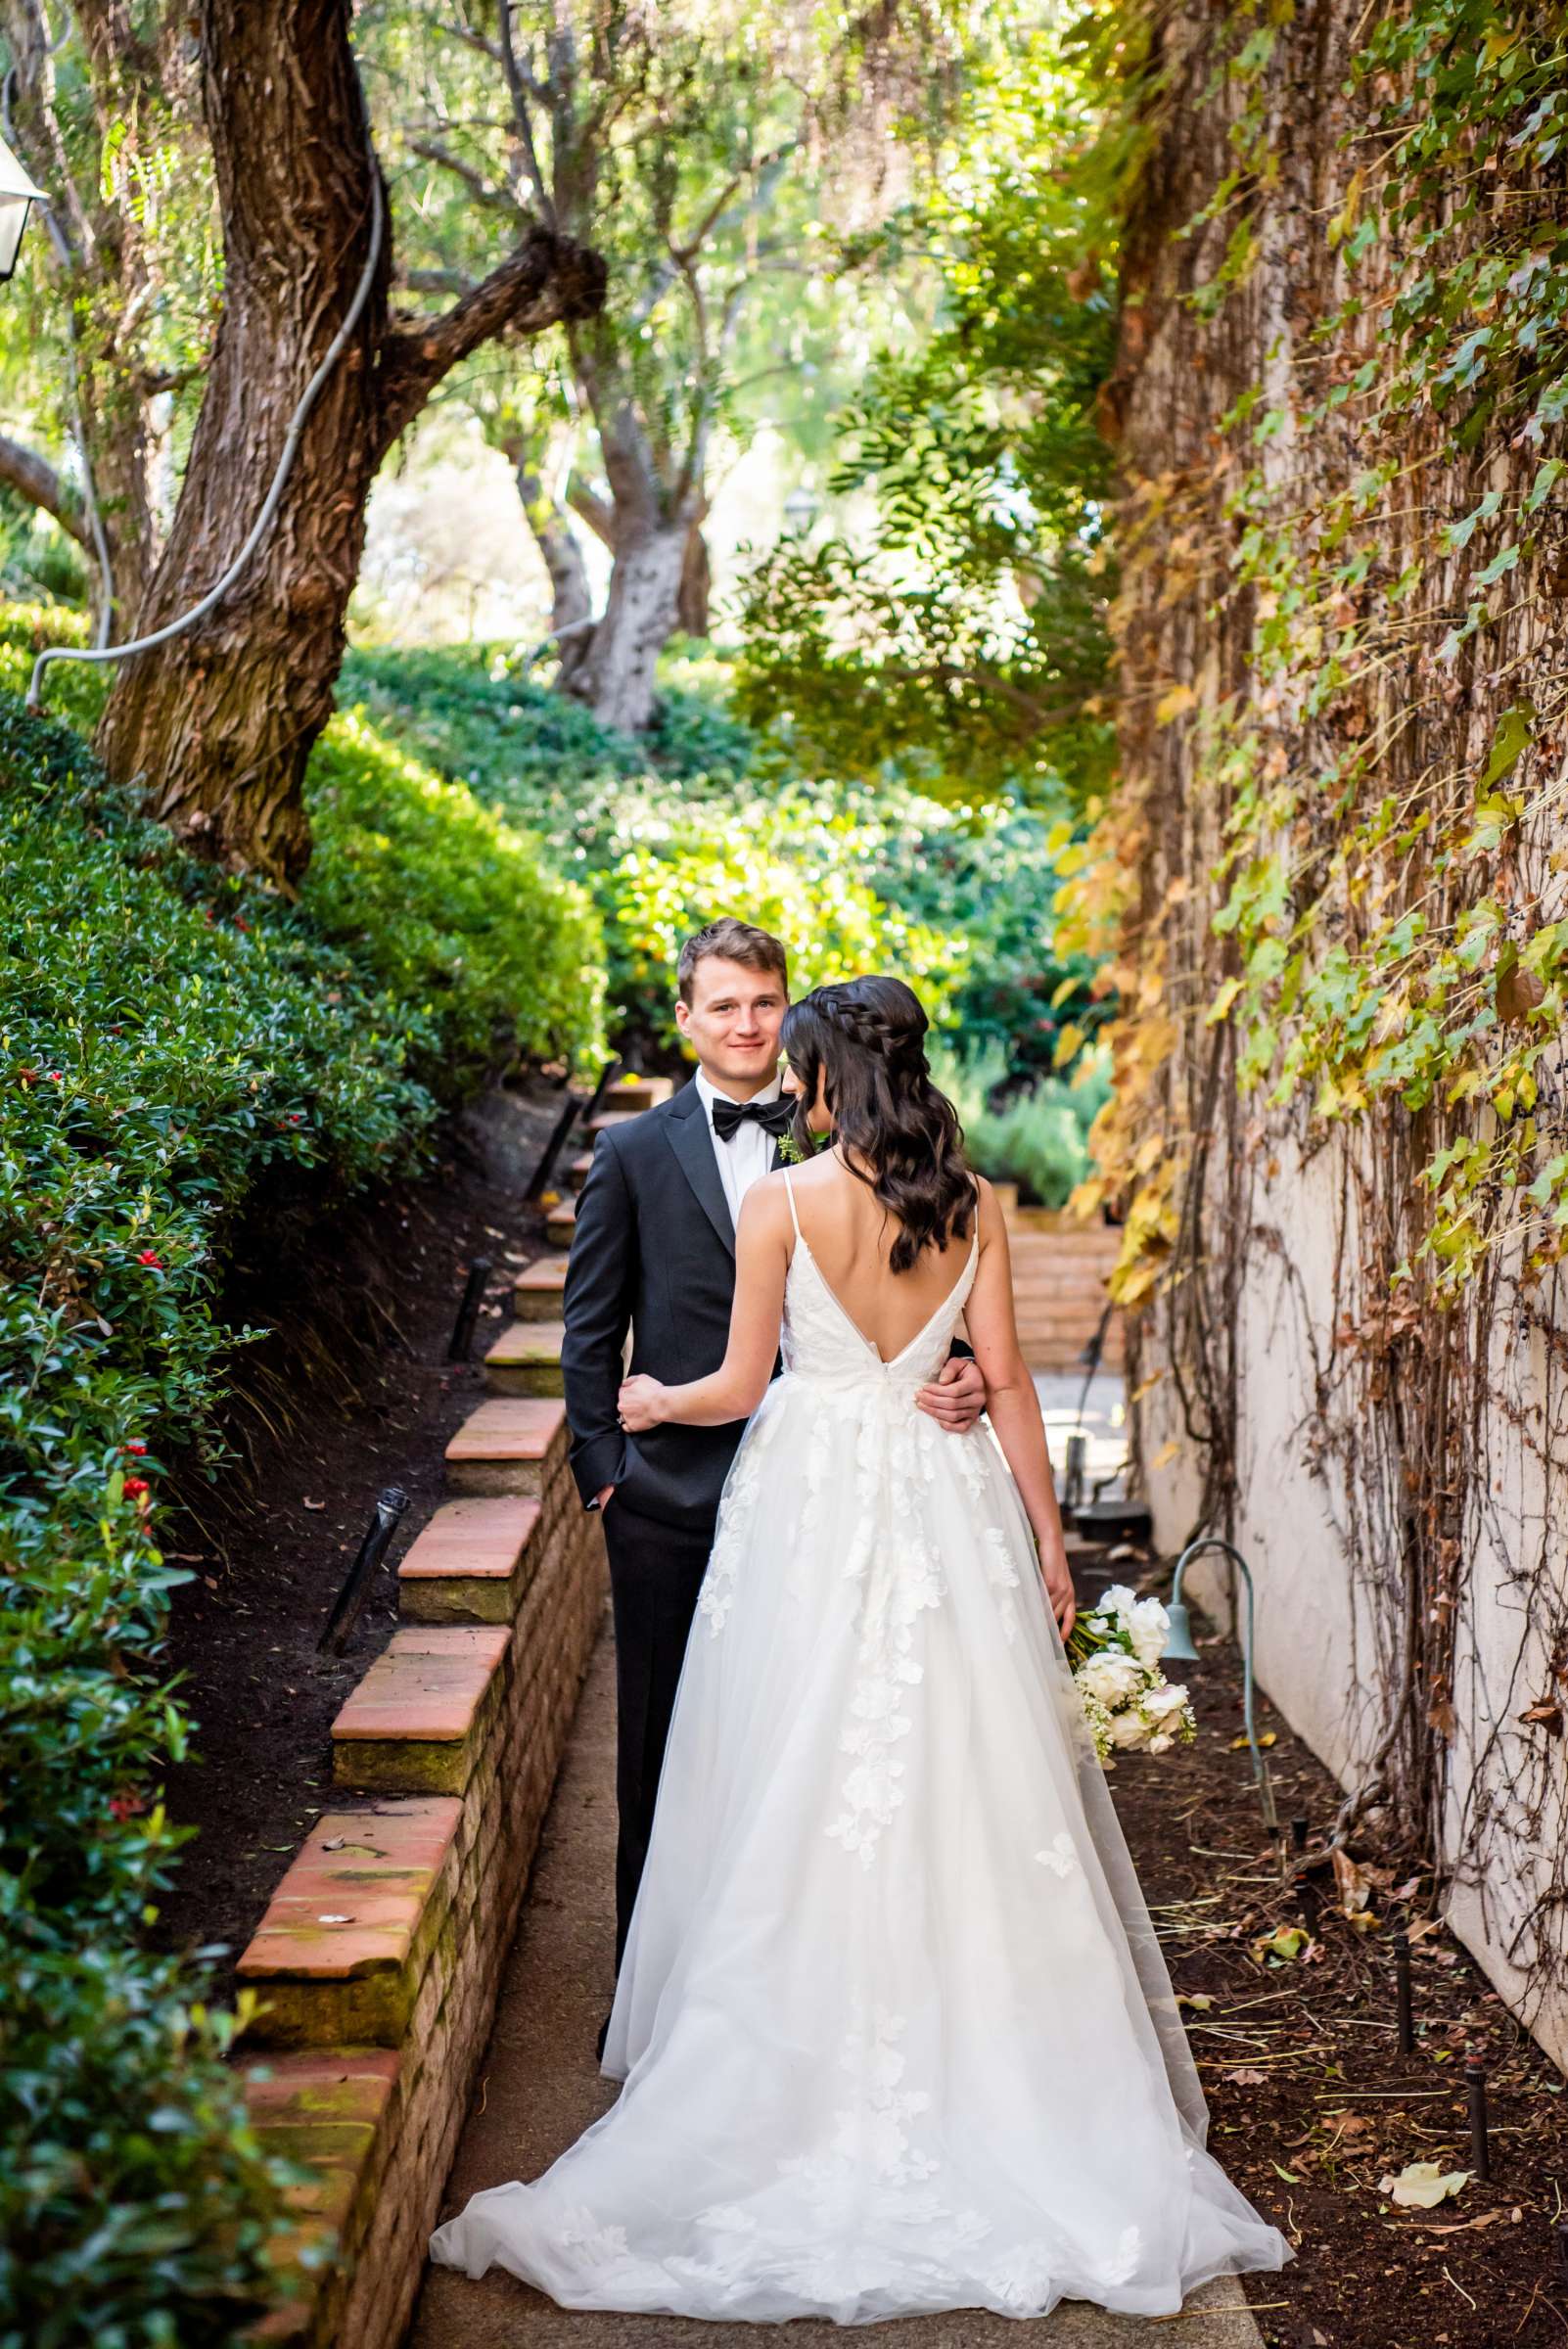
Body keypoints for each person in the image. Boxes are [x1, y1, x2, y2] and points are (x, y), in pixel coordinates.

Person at [430, 975, 1295, 2323]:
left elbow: (733, 1384)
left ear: (832, 1080)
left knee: (797, 1758)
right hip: (941, 1501)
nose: (788, 1083)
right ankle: (990, 2058)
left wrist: (652, 1397)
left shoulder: (778, 1198)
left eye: (802, 1066)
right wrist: (1049, 1545)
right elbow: (1002, 1381)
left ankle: (792, 2055)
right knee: (963, 1765)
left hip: (808, 1502)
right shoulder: (970, 1205)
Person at [557, 920, 987, 1994]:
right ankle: (652, 2001)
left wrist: (967, 1369)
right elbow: (587, 1327)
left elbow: (927, 1280)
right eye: (725, 1005)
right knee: (669, 1755)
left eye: (763, 1002)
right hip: (675, 1498)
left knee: (834, 1750)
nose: (748, 1024)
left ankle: (812, 1990)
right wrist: (609, 1473)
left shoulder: (855, 1118)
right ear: (686, 1020)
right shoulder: (631, 1154)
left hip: (845, 1503)